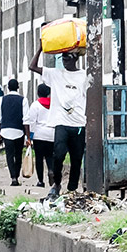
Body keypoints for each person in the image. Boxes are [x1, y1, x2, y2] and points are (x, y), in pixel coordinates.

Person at [29, 43, 88, 198]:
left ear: (75, 58)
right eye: (63, 58)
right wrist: (41, 48)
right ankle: (56, 183)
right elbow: (32, 66)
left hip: (79, 124)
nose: (65, 61)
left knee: (76, 159)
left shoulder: (84, 76)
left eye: (68, 58)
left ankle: (72, 189)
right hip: (61, 123)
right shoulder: (55, 74)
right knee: (58, 154)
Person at [0, 77, 28, 185]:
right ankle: (17, 175)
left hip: (5, 130)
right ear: (18, 87)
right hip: (19, 130)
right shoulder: (23, 99)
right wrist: (28, 135)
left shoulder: (2, 99)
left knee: (9, 154)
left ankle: (13, 177)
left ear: (8, 88)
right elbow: (26, 119)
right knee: (18, 154)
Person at [29, 81, 60, 192]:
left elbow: (32, 121)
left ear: (38, 93)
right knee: (50, 156)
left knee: (39, 158)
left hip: (39, 134)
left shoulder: (35, 105)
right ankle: (51, 170)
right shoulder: (54, 105)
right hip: (51, 134)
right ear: (48, 92)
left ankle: (40, 181)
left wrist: (30, 136)